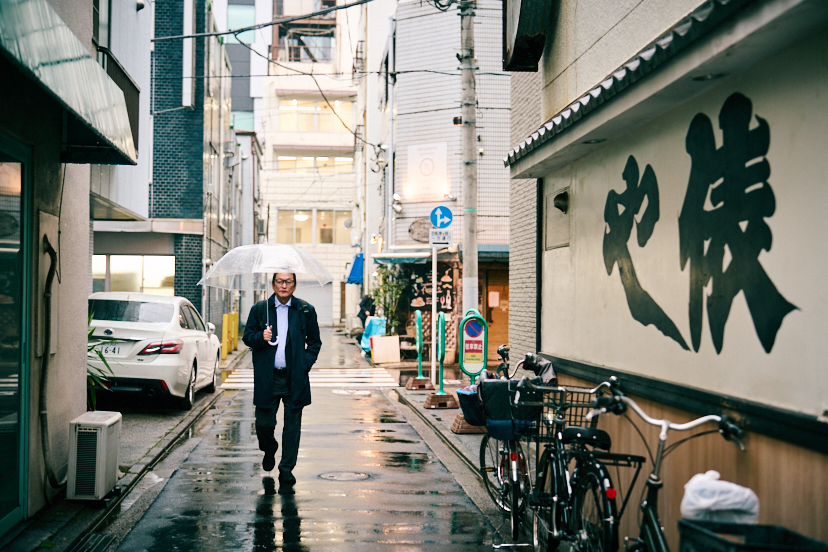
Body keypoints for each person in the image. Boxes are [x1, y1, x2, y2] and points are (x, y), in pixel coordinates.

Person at [243, 272, 321, 489]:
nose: (284, 285)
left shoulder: (305, 310)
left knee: (292, 428)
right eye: (280, 281)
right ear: (273, 284)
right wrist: (261, 337)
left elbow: (315, 342)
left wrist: (304, 363)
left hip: (294, 379)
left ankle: (286, 470)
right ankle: (269, 448)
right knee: (264, 424)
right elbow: (247, 337)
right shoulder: (260, 309)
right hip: (268, 378)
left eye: (288, 282)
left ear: (294, 286)